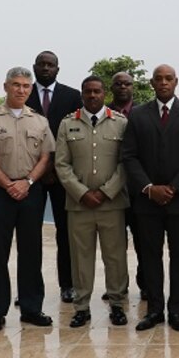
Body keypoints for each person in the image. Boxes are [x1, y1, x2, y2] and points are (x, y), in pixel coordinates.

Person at [122, 64, 179, 332]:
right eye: (158, 79)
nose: (163, 82)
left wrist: (174, 187)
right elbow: (129, 156)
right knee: (150, 256)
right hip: (147, 200)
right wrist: (149, 188)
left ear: (175, 81)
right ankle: (155, 310)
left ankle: (177, 310)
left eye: (168, 78)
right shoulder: (137, 115)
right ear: (152, 83)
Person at [0, 66, 55, 332]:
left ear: (31, 89)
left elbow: (46, 157)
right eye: (16, 85)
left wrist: (27, 182)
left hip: (30, 192)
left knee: (31, 252)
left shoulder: (39, 121)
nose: (21, 90)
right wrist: (9, 185)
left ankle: (31, 308)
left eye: (26, 86)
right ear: (5, 86)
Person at [54, 75, 130, 327]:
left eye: (97, 91)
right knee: (80, 257)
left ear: (104, 93)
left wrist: (106, 191)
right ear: (82, 94)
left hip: (112, 203)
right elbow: (61, 164)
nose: (93, 95)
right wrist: (82, 193)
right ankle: (82, 306)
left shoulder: (120, 123)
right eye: (88, 91)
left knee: (116, 256)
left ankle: (117, 304)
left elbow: (125, 163)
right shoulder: (68, 124)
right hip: (79, 205)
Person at [25, 51, 82, 304]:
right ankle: (28, 288)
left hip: (63, 176)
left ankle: (67, 285)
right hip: (30, 176)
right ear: (34, 67)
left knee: (65, 233)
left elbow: (77, 136)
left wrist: (57, 168)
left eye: (51, 65)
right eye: (42, 65)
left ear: (58, 69)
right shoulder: (23, 94)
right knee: (29, 233)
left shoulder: (72, 97)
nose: (46, 68)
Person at [108, 71, 143, 297]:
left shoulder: (143, 113)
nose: (123, 87)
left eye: (127, 83)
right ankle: (117, 287)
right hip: (112, 190)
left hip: (139, 189)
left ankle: (146, 284)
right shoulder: (103, 113)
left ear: (133, 87)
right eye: (118, 84)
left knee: (144, 242)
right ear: (112, 88)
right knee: (115, 245)